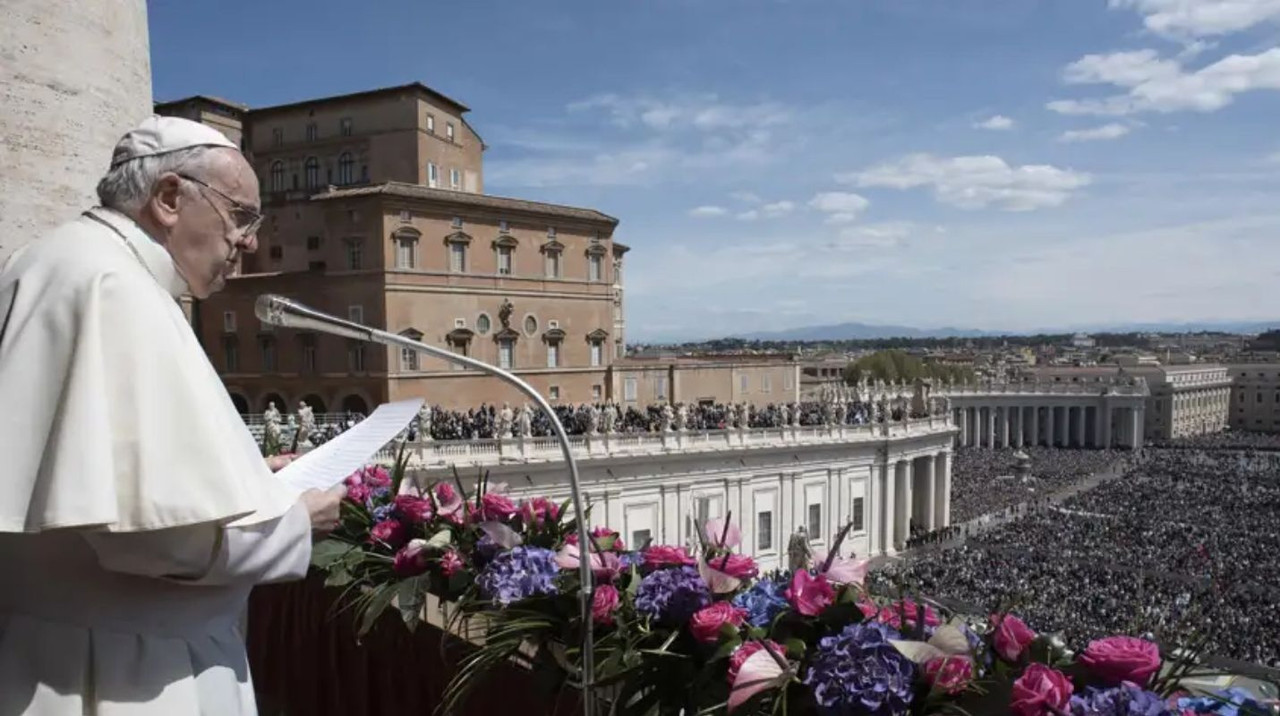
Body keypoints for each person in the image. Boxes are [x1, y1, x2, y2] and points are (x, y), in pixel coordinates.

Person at [0, 116, 345, 715]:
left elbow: (114, 475)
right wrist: (294, 522)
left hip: (48, 647)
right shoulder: (116, 287)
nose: (250, 243)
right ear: (168, 198)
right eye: (241, 216)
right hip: (127, 676)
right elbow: (152, 539)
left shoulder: (49, 260)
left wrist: (243, 479)